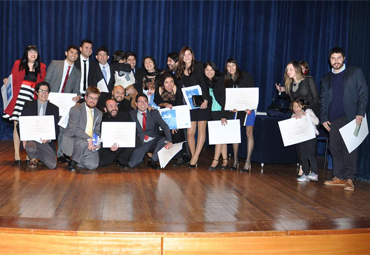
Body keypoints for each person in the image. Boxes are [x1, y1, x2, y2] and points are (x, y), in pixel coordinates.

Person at [320, 47, 368, 191]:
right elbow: (323, 100)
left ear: (344, 58)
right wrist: (323, 118)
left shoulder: (355, 72)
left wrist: (360, 113)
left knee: (350, 149)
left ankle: (349, 178)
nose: (336, 61)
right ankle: (338, 177)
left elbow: (363, 93)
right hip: (332, 119)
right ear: (330, 61)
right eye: (333, 58)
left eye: (339, 58)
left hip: (351, 117)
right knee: (335, 148)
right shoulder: (325, 78)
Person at [3, 45, 47, 164]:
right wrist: (7, 80)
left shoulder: (42, 66)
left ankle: (29, 154)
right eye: (30, 52)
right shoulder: (18, 64)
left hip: (31, 99)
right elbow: (12, 80)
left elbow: (42, 85)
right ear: (26, 53)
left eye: (35, 52)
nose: (33, 54)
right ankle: (16, 153)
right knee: (17, 125)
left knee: (29, 127)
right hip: (19, 98)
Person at [275, 60, 320, 176]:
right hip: (298, 118)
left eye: (290, 69)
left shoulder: (308, 80)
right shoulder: (290, 85)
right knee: (299, 145)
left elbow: (316, 99)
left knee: (308, 145)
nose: (288, 72)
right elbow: (291, 101)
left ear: (296, 69)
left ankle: (311, 170)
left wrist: (303, 111)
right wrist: (281, 92)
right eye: (287, 70)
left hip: (309, 116)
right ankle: (303, 167)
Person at [44, 45, 81, 163]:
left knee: (62, 129)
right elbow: (47, 80)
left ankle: (60, 154)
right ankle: (43, 154)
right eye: (71, 52)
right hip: (50, 100)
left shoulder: (77, 72)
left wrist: (78, 96)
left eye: (76, 53)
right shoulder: (55, 64)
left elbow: (76, 90)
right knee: (48, 127)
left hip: (64, 104)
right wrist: (45, 95)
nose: (73, 55)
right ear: (66, 53)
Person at [176, 46, 210, 167]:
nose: (187, 57)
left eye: (189, 54)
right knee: (190, 133)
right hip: (188, 105)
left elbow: (203, 84)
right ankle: (193, 155)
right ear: (181, 57)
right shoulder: (179, 70)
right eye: (184, 55)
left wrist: (206, 99)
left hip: (201, 102)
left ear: (192, 55)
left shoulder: (199, 66)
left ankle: (195, 158)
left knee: (201, 130)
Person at [224, 58, 256, 172]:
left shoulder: (245, 76)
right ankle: (236, 159)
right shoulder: (227, 80)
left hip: (248, 109)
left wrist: (250, 106)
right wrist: (230, 107)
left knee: (249, 133)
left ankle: (248, 161)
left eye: (233, 65)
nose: (231, 68)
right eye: (228, 66)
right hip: (235, 111)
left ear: (237, 66)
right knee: (235, 134)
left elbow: (253, 92)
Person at [19, 81, 59, 169]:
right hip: (31, 139)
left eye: (46, 91)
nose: (44, 93)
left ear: (48, 93)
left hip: (45, 142)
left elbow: (56, 128)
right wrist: (24, 138)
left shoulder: (54, 108)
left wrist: (49, 138)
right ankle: (32, 157)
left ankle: (37, 156)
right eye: (41, 91)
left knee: (52, 165)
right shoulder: (28, 105)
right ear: (36, 92)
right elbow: (20, 124)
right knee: (30, 148)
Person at [62, 87, 103, 171]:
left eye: (95, 99)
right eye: (90, 98)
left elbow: (97, 131)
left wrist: (96, 141)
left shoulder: (99, 113)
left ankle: (79, 158)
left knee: (93, 165)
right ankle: (73, 161)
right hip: (74, 139)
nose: (93, 101)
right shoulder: (75, 109)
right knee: (82, 142)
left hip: (89, 142)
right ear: (85, 97)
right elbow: (74, 129)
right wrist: (88, 139)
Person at [128, 93, 173, 169]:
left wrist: (169, 140)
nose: (143, 103)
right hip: (140, 143)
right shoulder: (131, 114)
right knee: (131, 164)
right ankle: (142, 157)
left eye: (145, 101)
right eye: (140, 101)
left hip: (153, 141)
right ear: (136, 104)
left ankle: (152, 160)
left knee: (164, 140)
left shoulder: (154, 112)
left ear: (148, 102)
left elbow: (164, 126)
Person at [154, 72, 186, 166]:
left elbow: (178, 106)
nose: (169, 85)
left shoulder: (177, 90)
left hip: (176, 115)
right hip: (163, 116)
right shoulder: (158, 90)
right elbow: (158, 102)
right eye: (167, 82)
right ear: (162, 83)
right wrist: (165, 104)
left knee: (177, 132)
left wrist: (174, 124)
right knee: (164, 133)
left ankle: (180, 157)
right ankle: (162, 156)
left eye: (171, 82)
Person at [204, 61, 228, 170]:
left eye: (212, 70)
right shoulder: (206, 82)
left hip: (220, 111)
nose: (209, 72)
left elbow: (224, 98)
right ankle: (225, 159)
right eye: (207, 70)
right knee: (222, 136)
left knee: (219, 137)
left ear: (215, 70)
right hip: (212, 112)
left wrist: (224, 114)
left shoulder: (221, 80)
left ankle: (215, 160)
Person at [99, 99, 135, 168]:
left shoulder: (125, 115)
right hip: (111, 147)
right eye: (111, 106)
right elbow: (101, 139)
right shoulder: (102, 120)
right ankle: (116, 157)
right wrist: (110, 148)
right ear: (105, 109)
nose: (114, 108)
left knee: (136, 139)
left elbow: (132, 131)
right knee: (101, 163)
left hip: (124, 145)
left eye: (115, 105)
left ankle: (122, 159)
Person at [291, 98, 319, 182]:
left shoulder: (308, 112)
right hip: (301, 138)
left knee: (310, 154)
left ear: (303, 106)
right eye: (294, 106)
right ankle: (306, 173)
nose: (295, 109)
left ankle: (314, 173)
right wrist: (294, 119)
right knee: (303, 156)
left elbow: (317, 122)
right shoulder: (293, 116)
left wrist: (308, 116)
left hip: (310, 137)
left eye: (298, 106)